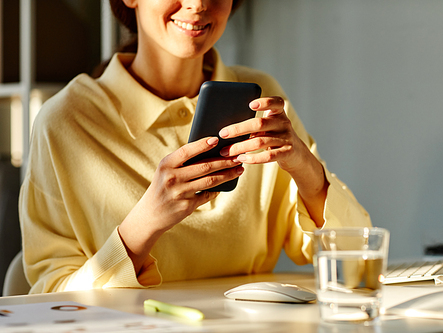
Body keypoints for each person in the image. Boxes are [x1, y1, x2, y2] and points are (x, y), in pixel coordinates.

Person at [19, 0, 371, 294]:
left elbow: (354, 261)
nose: (199, 4)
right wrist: (147, 222)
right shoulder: (66, 120)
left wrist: (304, 166)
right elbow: (51, 301)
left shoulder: (260, 97)